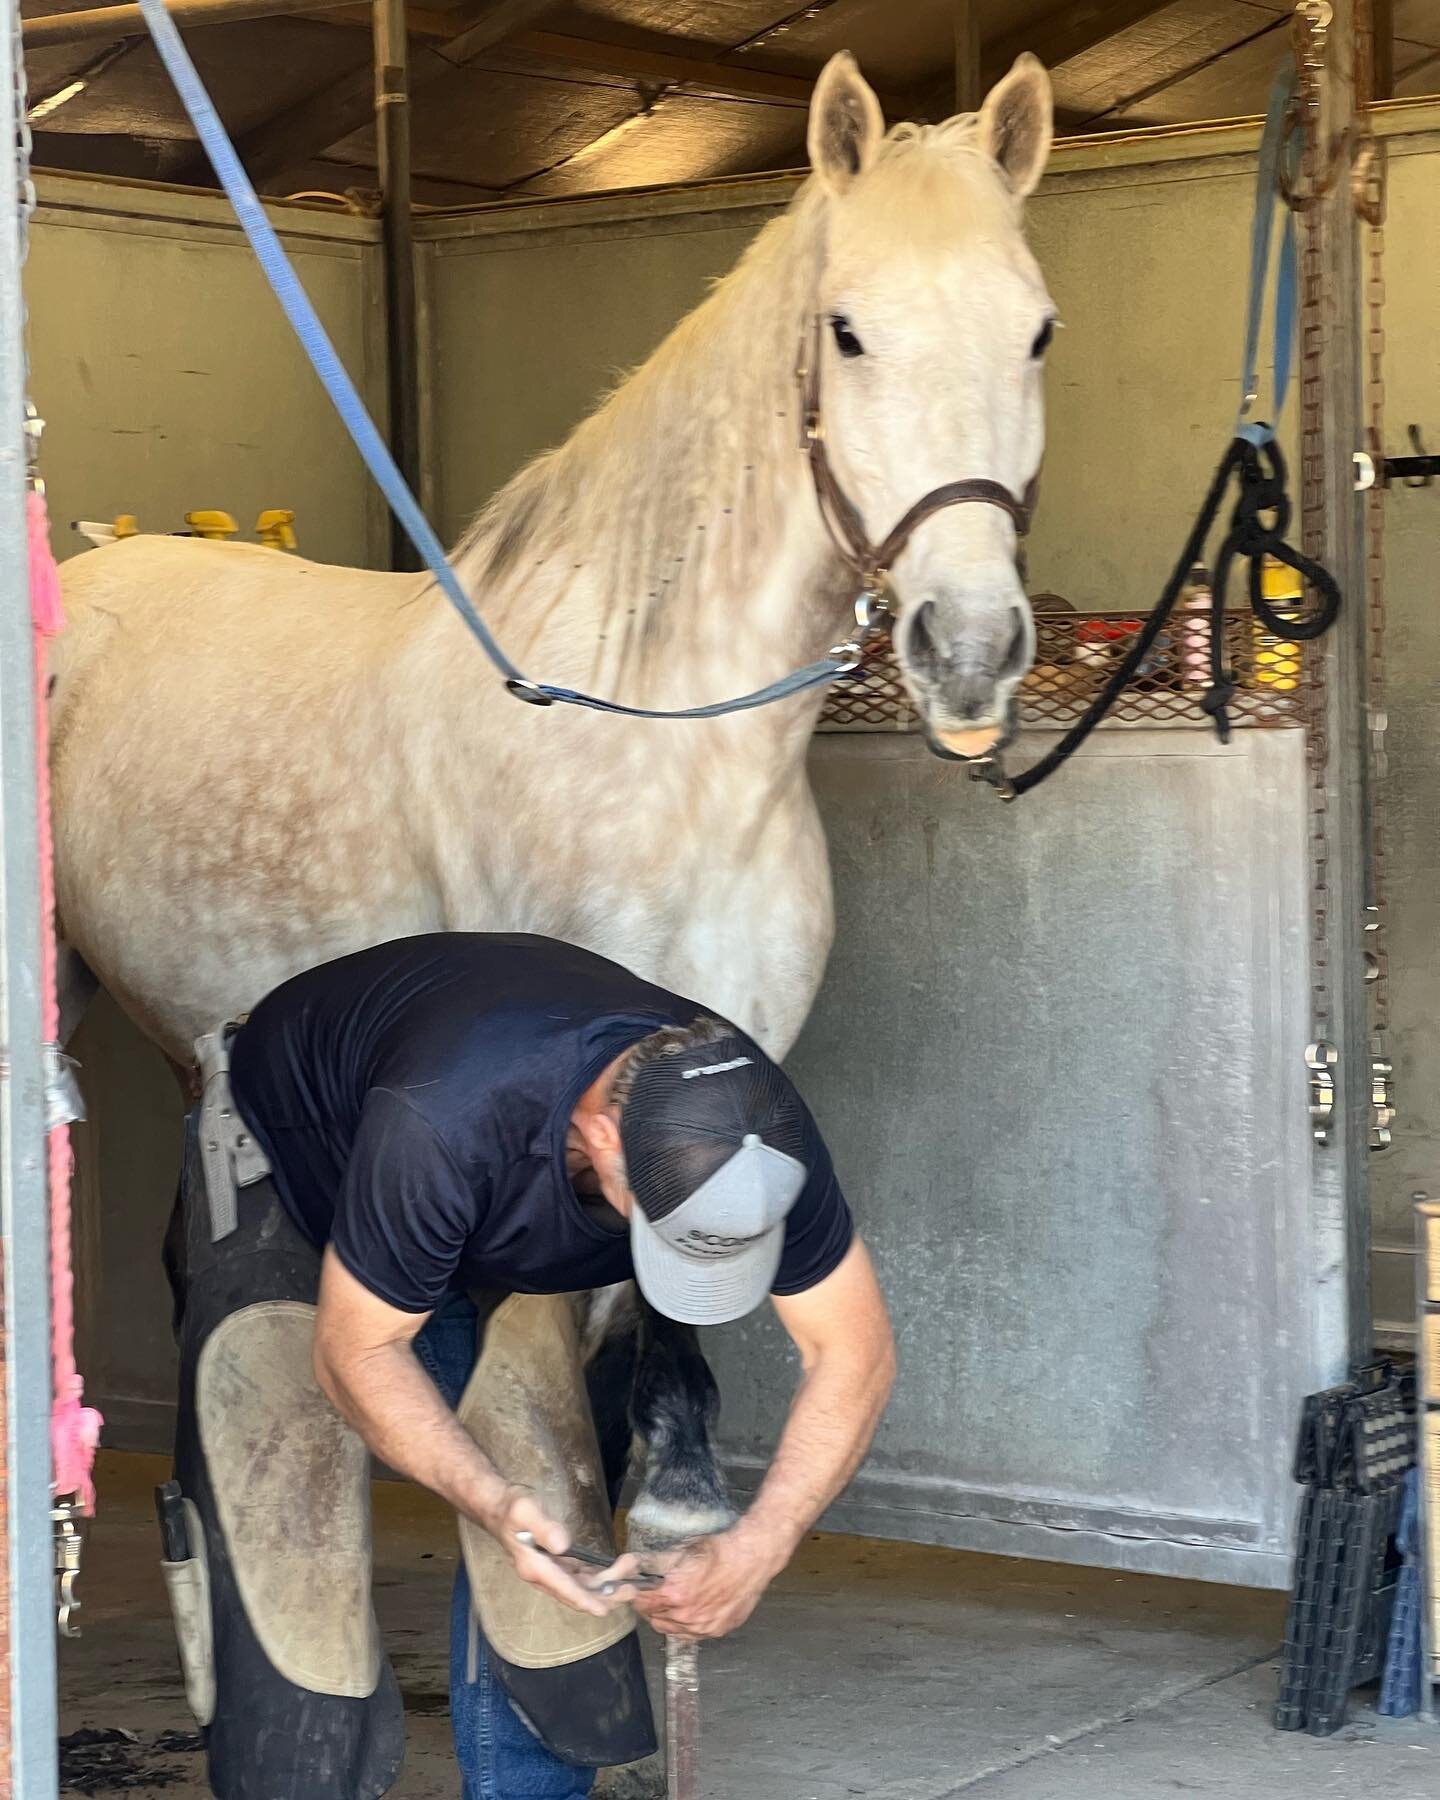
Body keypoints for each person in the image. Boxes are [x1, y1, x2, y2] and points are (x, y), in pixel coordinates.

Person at [161, 931, 895, 1800]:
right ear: (601, 1133)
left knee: (556, 1531)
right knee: (286, 1559)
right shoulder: (443, 1117)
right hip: (294, 1154)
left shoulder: (756, 1128)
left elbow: (853, 1348)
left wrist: (761, 1546)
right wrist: (487, 1498)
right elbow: (357, 1351)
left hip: (496, 1201)